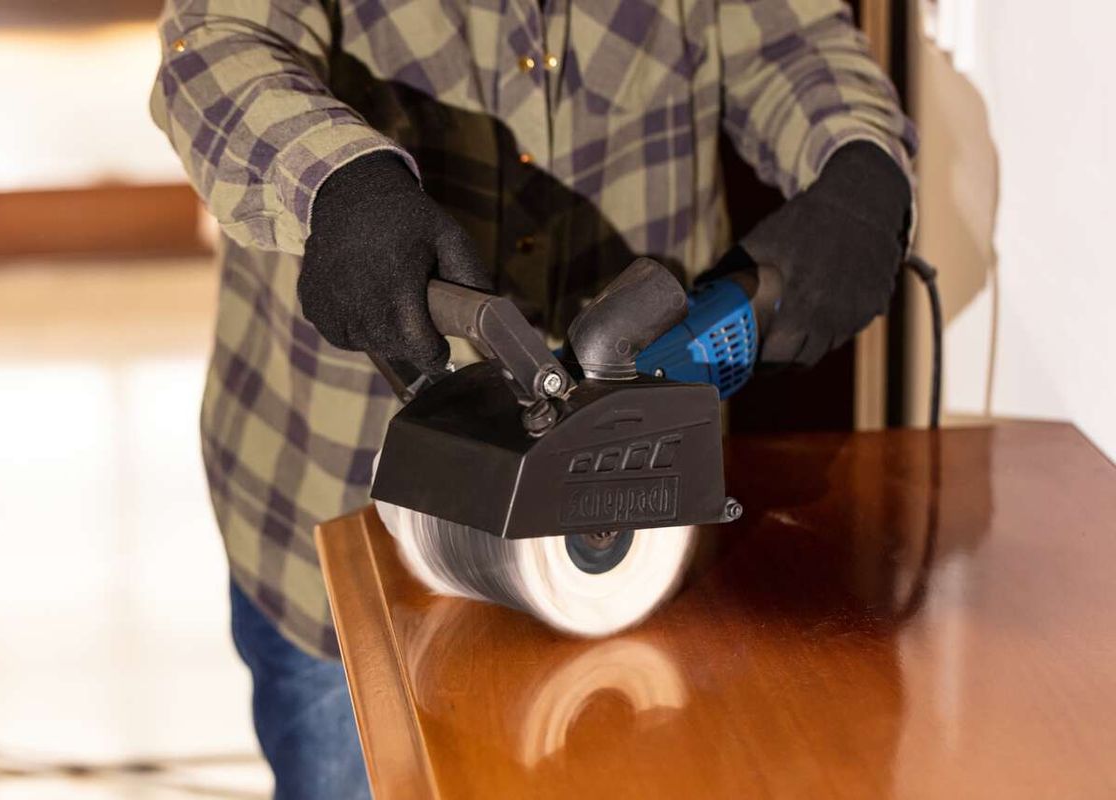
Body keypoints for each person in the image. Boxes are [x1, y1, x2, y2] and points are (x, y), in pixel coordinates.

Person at [151, 0, 916, 796]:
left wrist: (859, 170)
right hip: (339, 494)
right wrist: (340, 181)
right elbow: (214, 43)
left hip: (636, 513)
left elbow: (787, 39)